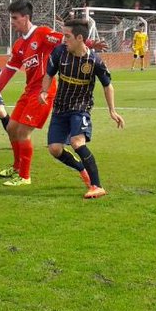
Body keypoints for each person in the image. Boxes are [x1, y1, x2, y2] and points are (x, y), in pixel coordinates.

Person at [0, 0, 64, 187]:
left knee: (23, 132)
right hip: (29, 90)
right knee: (11, 128)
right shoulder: (19, 44)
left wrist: (89, 43)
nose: (12, 22)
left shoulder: (42, 33)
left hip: (43, 91)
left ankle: (25, 176)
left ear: (26, 17)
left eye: (15, 18)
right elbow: (8, 71)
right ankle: (17, 167)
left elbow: (66, 40)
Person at [39, 18, 124, 199]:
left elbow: (108, 85)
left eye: (67, 36)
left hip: (80, 108)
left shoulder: (94, 61)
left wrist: (112, 110)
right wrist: (44, 92)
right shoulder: (59, 53)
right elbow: (49, 74)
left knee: (77, 142)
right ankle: (81, 169)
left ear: (79, 38)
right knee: (54, 149)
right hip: (60, 108)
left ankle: (97, 185)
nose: (63, 39)